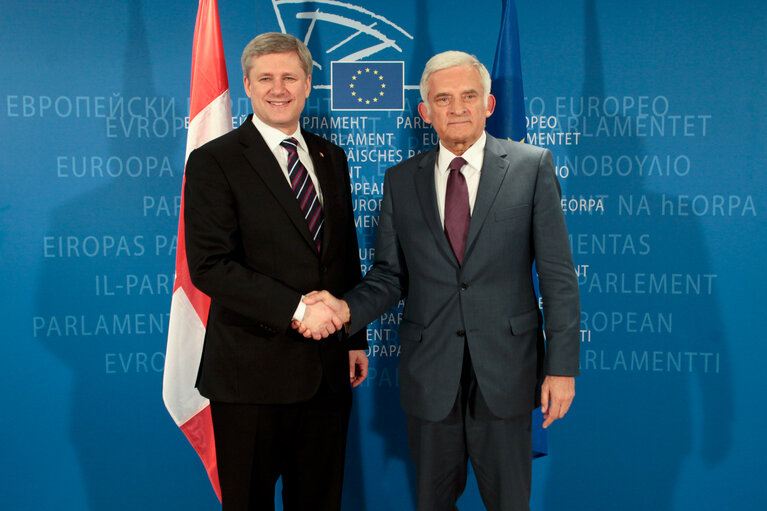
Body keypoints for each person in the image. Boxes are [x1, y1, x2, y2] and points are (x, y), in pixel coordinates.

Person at [298, 51, 580, 510]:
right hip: (430, 378)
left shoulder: (532, 167)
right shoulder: (400, 180)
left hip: (507, 374)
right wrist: (345, 310)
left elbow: (557, 276)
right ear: (425, 112)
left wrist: (561, 367)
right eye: (443, 99)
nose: (457, 108)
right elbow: (391, 276)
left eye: (469, 96)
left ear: (488, 104)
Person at [183, 32, 368, 510]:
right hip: (251, 376)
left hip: (326, 372)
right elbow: (210, 266)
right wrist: (295, 309)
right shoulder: (214, 161)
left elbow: (343, 254)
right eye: (265, 78)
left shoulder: (332, 157)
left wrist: (353, 337)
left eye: (290, 77)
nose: (278, 88)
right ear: (247, 84)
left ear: (308, 84)